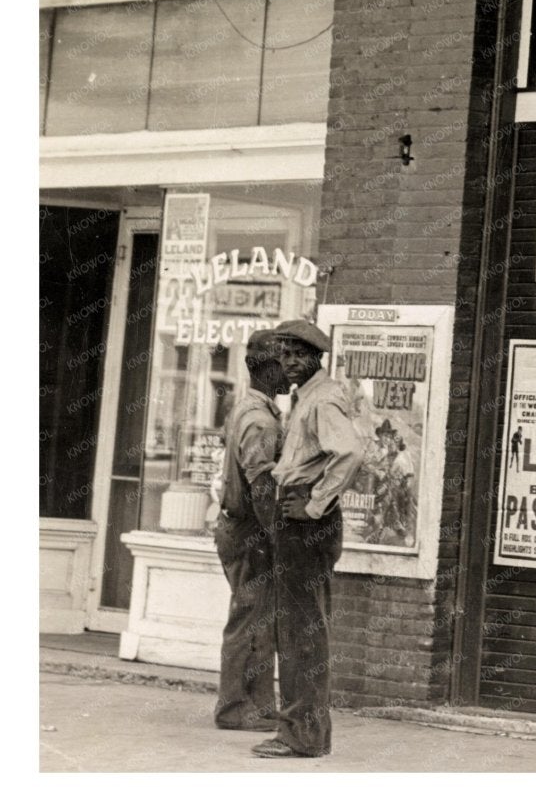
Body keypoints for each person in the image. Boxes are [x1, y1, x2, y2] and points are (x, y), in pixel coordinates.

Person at [252, 319, 365, 760]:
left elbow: (351, 452)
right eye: (283, 353)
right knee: (297, 628)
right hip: (295, 515)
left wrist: (315, 505)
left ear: (317, 357)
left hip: (305, 520)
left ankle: (302, 735)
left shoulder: (322, 398)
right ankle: (303, 731)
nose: (289, 362)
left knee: (302, 632)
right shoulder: (306, 397)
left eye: (299, 353)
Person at [212, 329, 289, 731]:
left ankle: (257, 705)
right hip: (249, 530)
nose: (292, 371)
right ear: (269, 369)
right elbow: (261, 489)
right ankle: (235, 708)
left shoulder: (252, 410)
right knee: (250, 617)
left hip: (241, 527)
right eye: (286, 363)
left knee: (259, 616)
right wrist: (277, 534)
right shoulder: (261, 421)